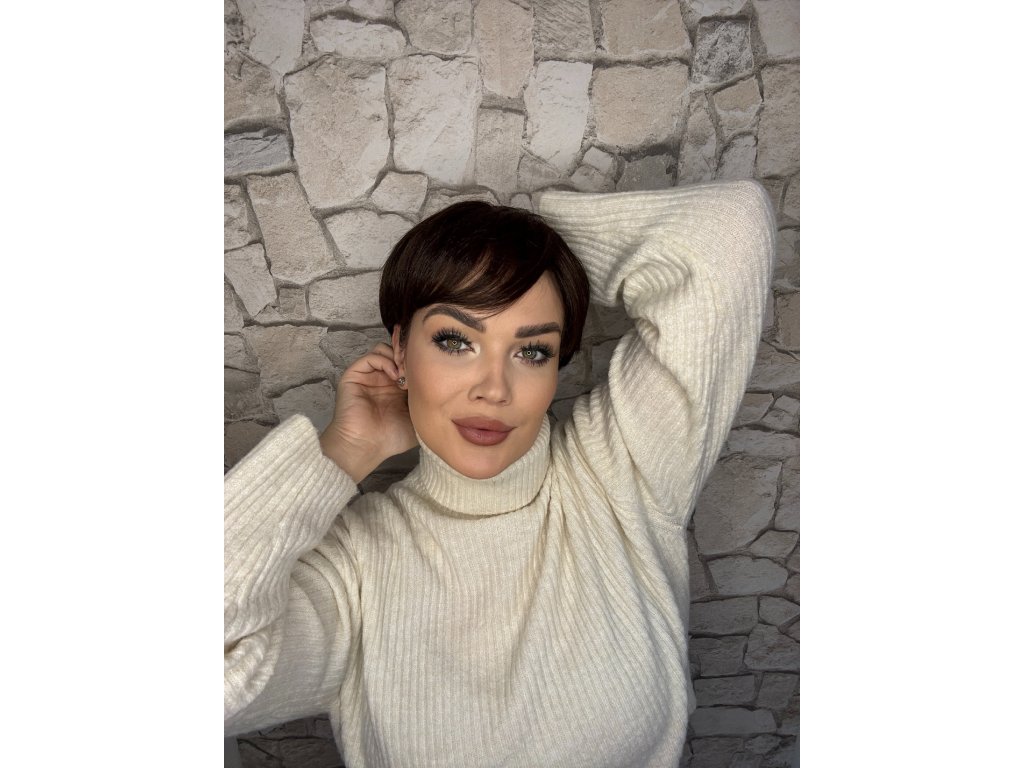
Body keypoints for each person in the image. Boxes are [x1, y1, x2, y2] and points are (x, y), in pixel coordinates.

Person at [225, 181, 775, 766]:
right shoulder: (355, 561)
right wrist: (345, 451)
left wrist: (542, 248)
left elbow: (727, 228)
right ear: (400, 351)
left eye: (532, 351)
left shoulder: (621, 473)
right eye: (455, 341)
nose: (494, 388)